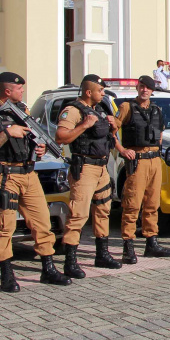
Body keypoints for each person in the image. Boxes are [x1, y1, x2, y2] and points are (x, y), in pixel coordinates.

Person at [0, 71, 71, 292]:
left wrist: (39, 149)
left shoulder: (22, 111)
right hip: (5, 175)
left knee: (42, 222)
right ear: (7, 91)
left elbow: (29, 142)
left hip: (28, 174)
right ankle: (6, 274)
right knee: (5, 226)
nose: (23, 91)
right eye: (19, 88)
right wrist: (7, 133)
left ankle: (48, 268)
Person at [55, 75, 121, 276]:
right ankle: (70, 261)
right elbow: (60, 137)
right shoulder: (73, 111)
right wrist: (84, 125)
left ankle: (102, 254)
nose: (103, 94)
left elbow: (110, 136)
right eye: (100, 91)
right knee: (79, 214)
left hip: (101, 167)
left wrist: (114, 124)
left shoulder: (100, 109)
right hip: (84, 168)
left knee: (103, 210)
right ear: (88, 92)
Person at [112, 75, 170, 260]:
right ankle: (128, 247)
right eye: (141, 87)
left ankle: (151, 242)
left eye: (147, 87)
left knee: (152, 204)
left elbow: (160, 132)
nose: (144, 90)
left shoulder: (156, 109)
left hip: (155, 160)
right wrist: (122, 150)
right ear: (137, 88)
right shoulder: (127, 107)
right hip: (137, 160)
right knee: (132, 204)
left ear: (152, 90)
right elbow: (112, 131)